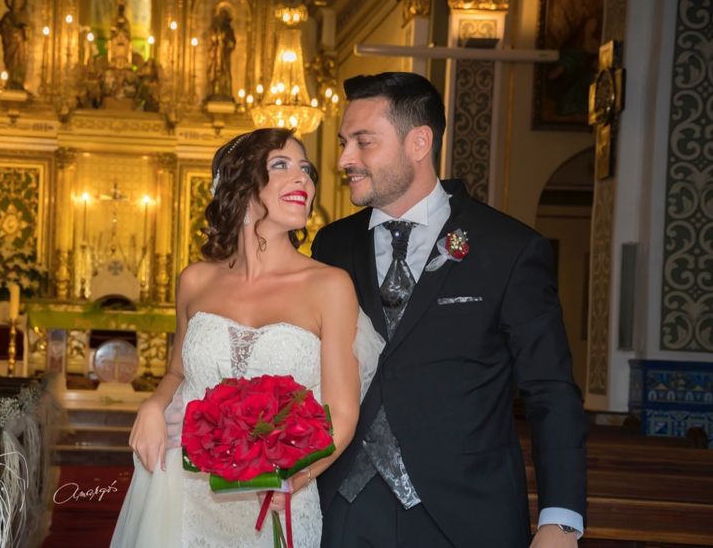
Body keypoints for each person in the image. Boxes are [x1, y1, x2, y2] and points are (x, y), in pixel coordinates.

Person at [311, 72, 588, 547]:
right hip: (341, 508)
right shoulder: (332, 244)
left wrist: (560, 520)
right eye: (343, 142)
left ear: (418, 142)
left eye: (363, 142)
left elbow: (551, 391)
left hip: (464, 514)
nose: (344, 159)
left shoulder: (509, 248)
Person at [112, 128, 380, 547]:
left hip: (276, 496)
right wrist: (153, 403)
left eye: (306, 169)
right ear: (241, 185)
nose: (304, 180)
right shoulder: (195, 281)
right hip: (186, 489)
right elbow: (178, 372)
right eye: (281, 165)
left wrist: (295, 478)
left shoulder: (330, 286)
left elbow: (341, 415)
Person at [0, 0, 30, 91]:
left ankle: (18, 82)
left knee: (20, 62)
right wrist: (11, 30)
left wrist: (24, 30)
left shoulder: (24, 15)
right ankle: (10, 81)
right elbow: (0, 26)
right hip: (10, 43)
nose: (17, 3)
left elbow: (27, 33)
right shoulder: (7, 15)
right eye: (15, 1)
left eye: (19, 1)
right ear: (11, 3)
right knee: (10, 63)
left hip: (20, 45)